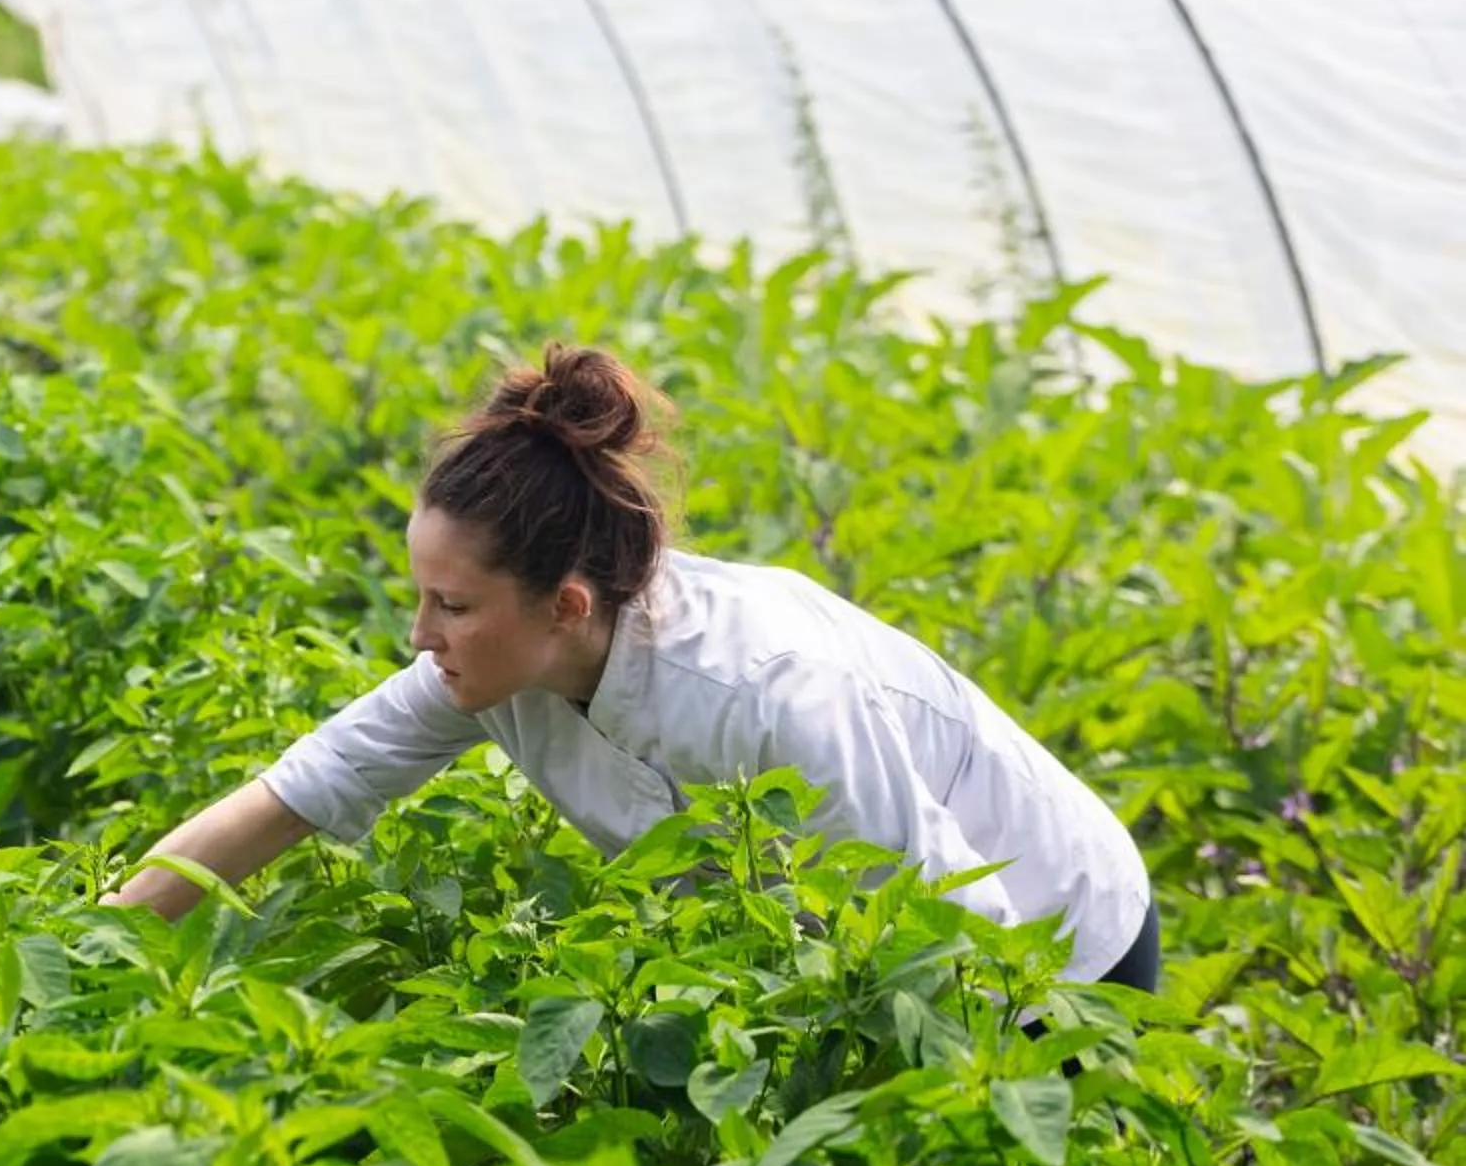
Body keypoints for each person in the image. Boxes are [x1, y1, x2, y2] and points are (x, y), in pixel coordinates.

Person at [112, 345, 1159, 992]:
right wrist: (95, 938)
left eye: (453, 605)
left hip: (1057, 944)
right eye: (419, 598)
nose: (422, 637)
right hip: (885, 949)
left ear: (565, 604)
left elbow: (942, 929)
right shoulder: (498, 670)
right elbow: (305, 787)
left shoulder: (766, 689)